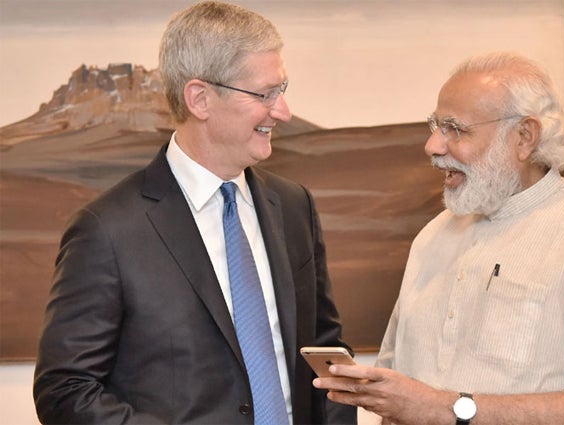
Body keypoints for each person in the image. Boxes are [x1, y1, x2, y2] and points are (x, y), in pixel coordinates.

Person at [33, 2, 356, 424]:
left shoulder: (293, 207)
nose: (283, 111)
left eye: (283, 89)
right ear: (200, 99)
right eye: (265, 94)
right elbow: (65, 391)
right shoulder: (108, 231)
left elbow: (325, 352)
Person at [314, 51, 564, 425]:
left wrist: (446, 409)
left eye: (454, 129)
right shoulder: (432, 236)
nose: (433, 146)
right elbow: (398, 398)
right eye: (435, 126)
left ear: (524, 137)